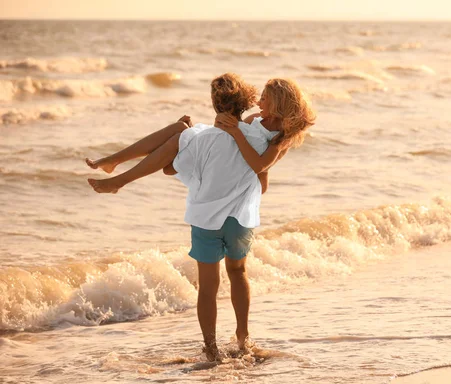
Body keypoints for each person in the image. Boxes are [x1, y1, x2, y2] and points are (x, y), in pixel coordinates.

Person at [86, 74, 315, 362]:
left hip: (224, 213)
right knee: (227, 277)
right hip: (230, 210)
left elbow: (256, 163)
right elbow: (249, 163)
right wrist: (228, 135)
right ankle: (226, 343)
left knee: (228, 277)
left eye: (266, 98)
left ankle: (231, 342)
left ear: (278, 103)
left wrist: (231, 134)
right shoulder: (262, 123)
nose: (259, 101)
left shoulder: (280, 136)